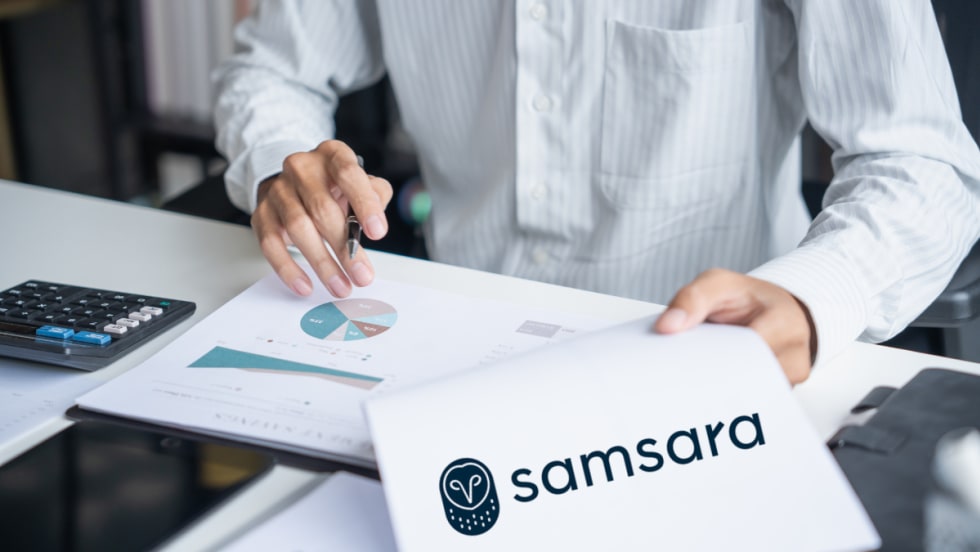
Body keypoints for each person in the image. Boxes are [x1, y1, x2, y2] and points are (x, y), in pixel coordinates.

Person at [214, 1, 980, 384]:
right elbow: (272, 68)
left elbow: (922, 161)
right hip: (447, 358)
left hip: (714, 366)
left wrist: (814, 298)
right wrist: (285, 162)